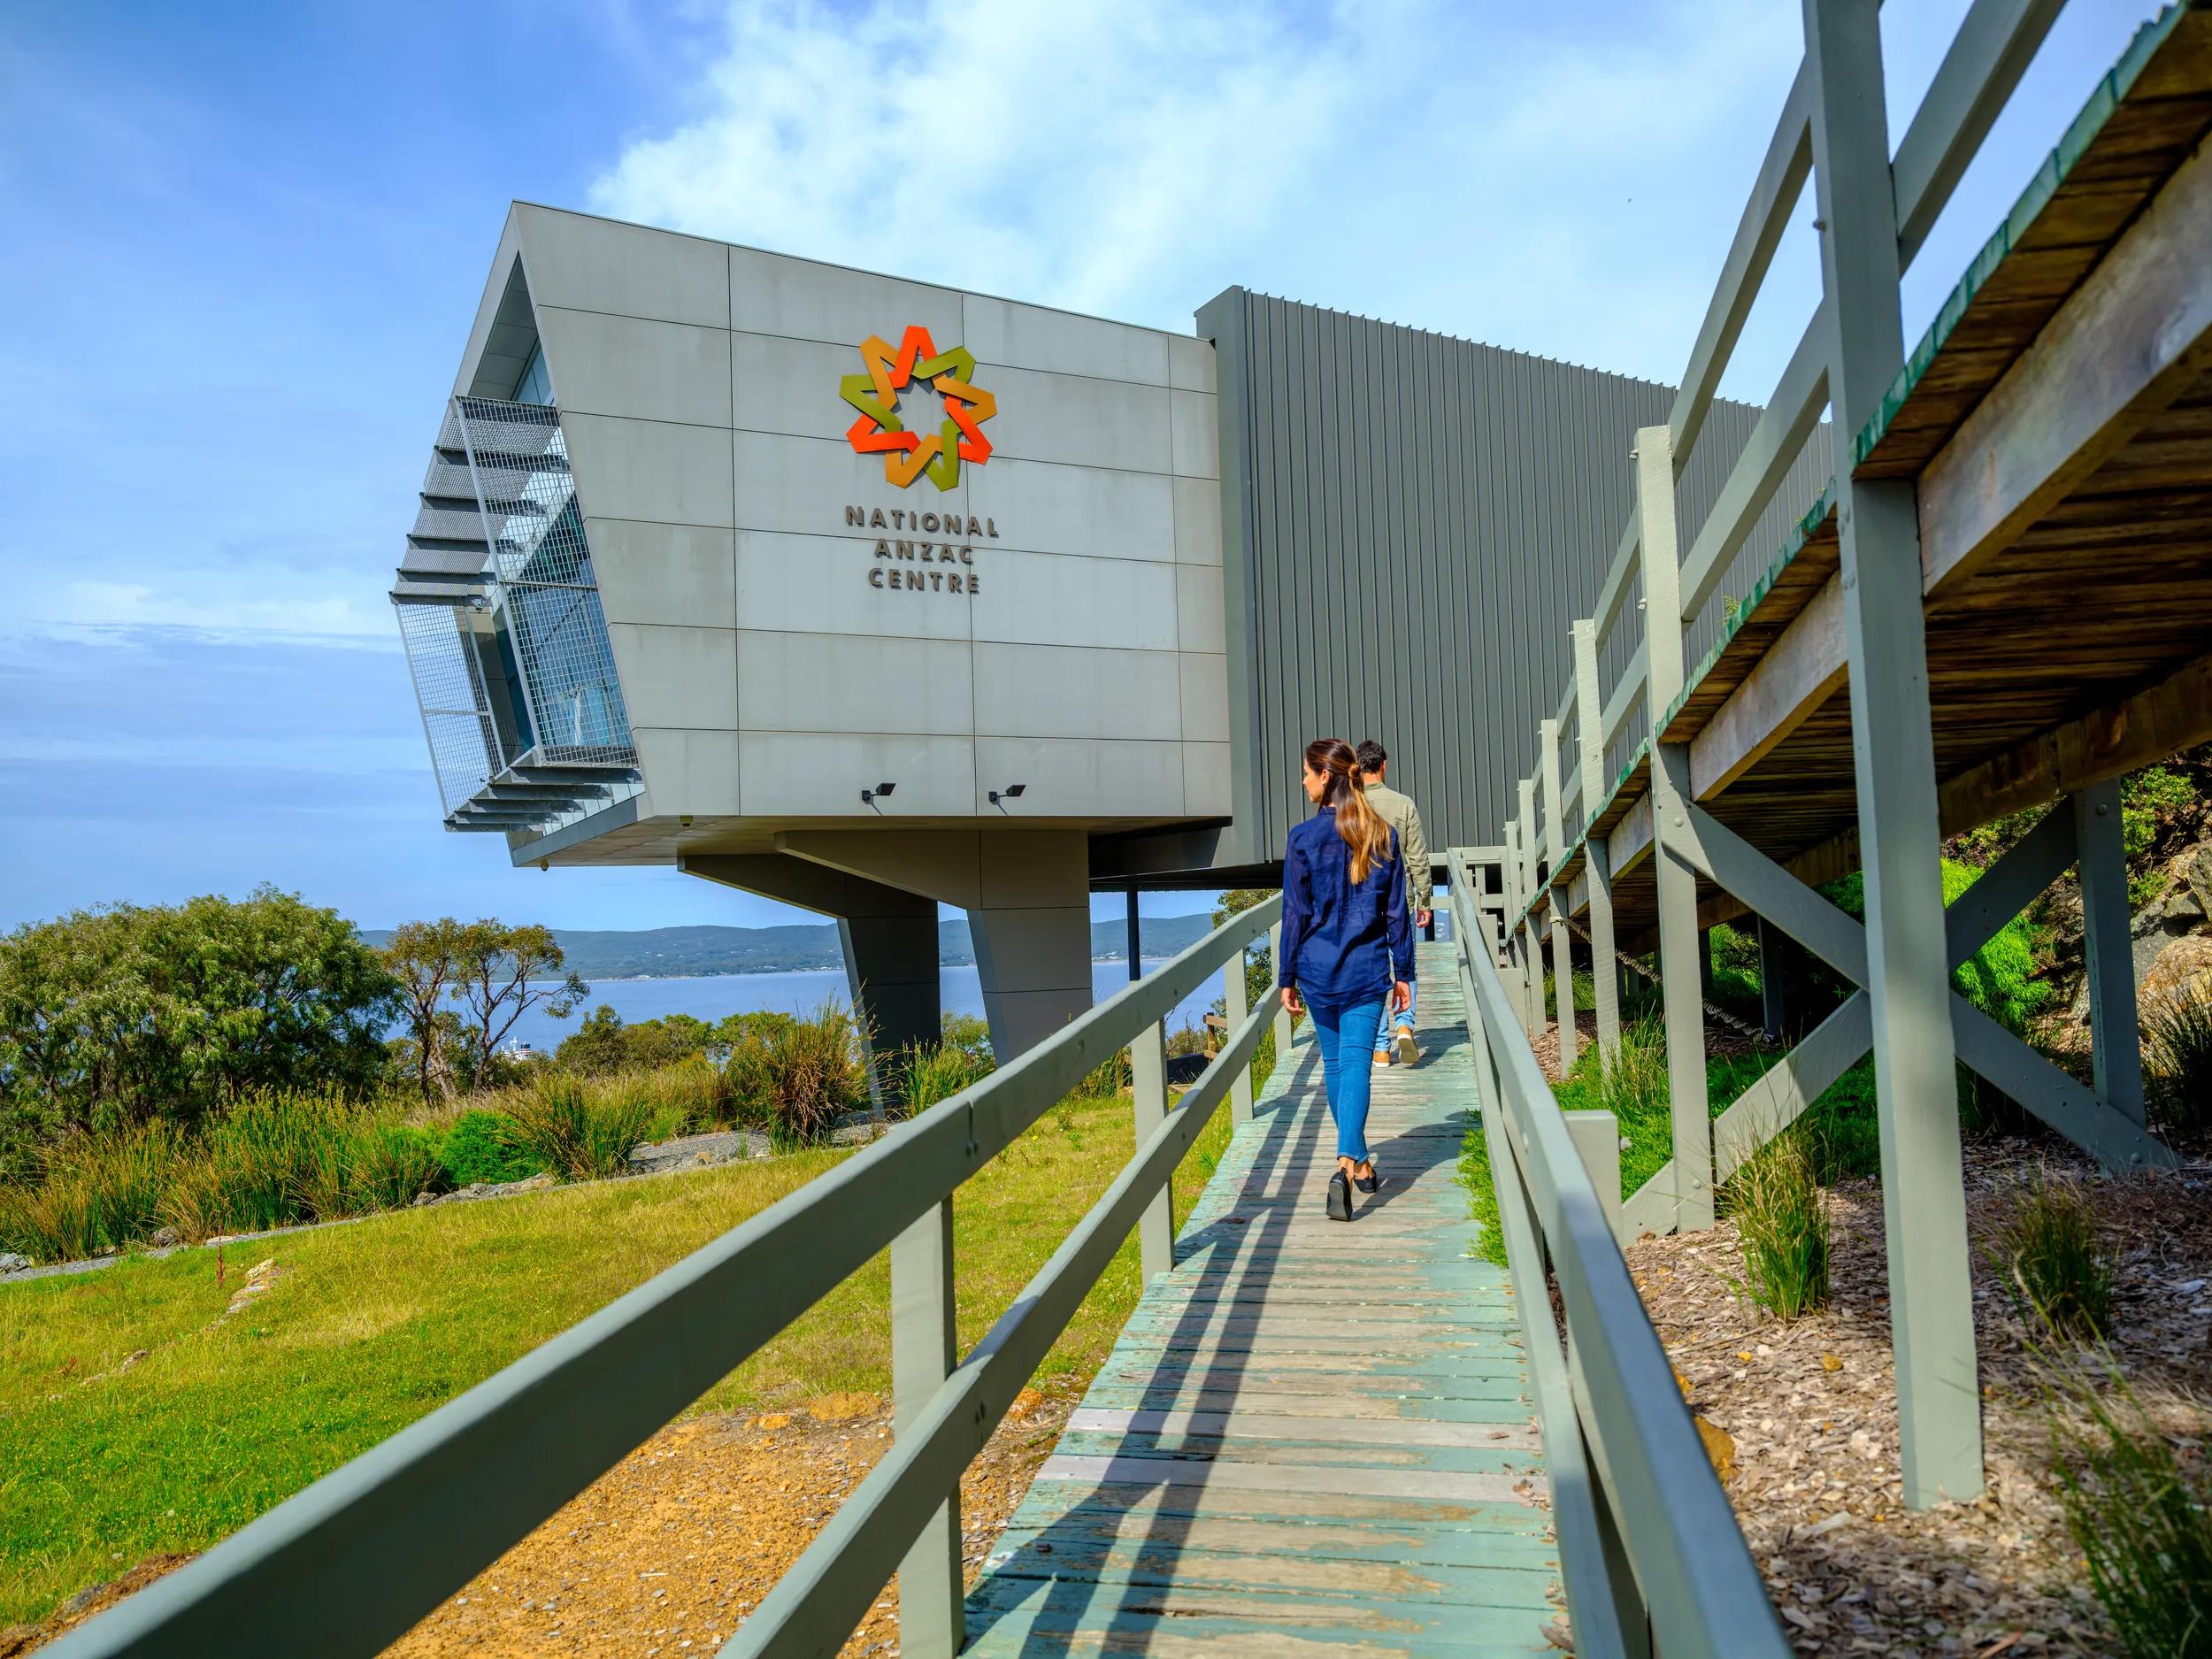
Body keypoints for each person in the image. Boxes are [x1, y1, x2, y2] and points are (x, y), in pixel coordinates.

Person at [1277, 738, 1415, 1222]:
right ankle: (1352, 1162)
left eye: (1307, 774)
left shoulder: (1301, 839)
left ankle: (1348, 1162)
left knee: (1336, 1066)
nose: (1303, 782)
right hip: (1367, 968)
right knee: (1354, 1064)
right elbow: (1396, 912)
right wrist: (1406, 973)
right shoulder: (1381, 835)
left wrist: (1287, 975)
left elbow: (1294, 914)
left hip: (1317, 969)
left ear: (1325, 776)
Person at [1356, 739, 1432, 1069]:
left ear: (1357, 768)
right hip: (1398, 901)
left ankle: (1381, 1048)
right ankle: (1405, 1023)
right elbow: (1417, 856)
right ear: (1383, 765)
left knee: (1373, 971)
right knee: (1404, 963)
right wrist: (1424, 900)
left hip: (1362, 906)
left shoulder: (1351, 809)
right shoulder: (1403, 805)